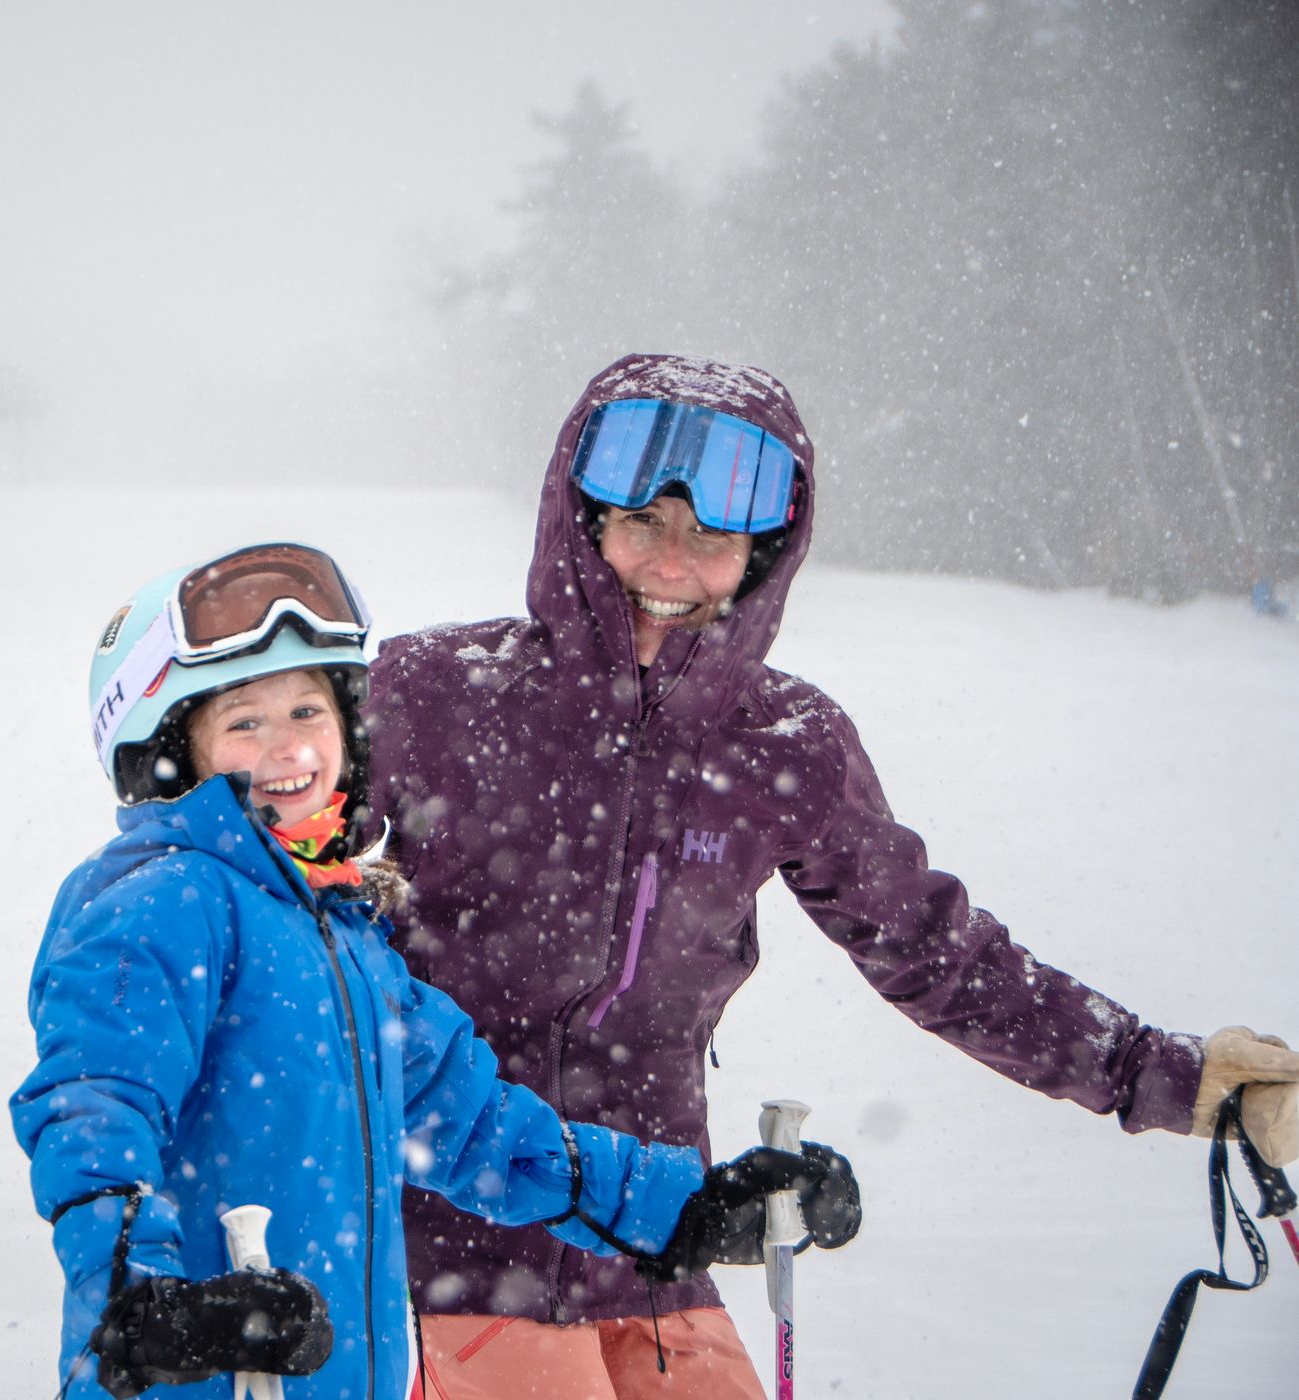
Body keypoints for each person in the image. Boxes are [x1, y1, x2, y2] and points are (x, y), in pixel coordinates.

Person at [365, 351, 1299, 1398]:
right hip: (437, 1238)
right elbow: (279, 917)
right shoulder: (429, 693)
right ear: (581, 520)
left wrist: (1169, 1075)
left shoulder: (784, 741)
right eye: (643, 526)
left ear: (764, 554)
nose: (672, 565)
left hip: (654, 1248)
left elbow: (941, 955)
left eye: (714, 537)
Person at [10, 542, 857, 1400]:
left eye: (310, 710)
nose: (289, 745)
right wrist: (141, 1301)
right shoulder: (162, 900)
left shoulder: (340, 936)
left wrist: (690, 1207)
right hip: (192, 1379)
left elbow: (483, 1131)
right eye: (243, 722)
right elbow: (94, 1105)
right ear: (170, 756)